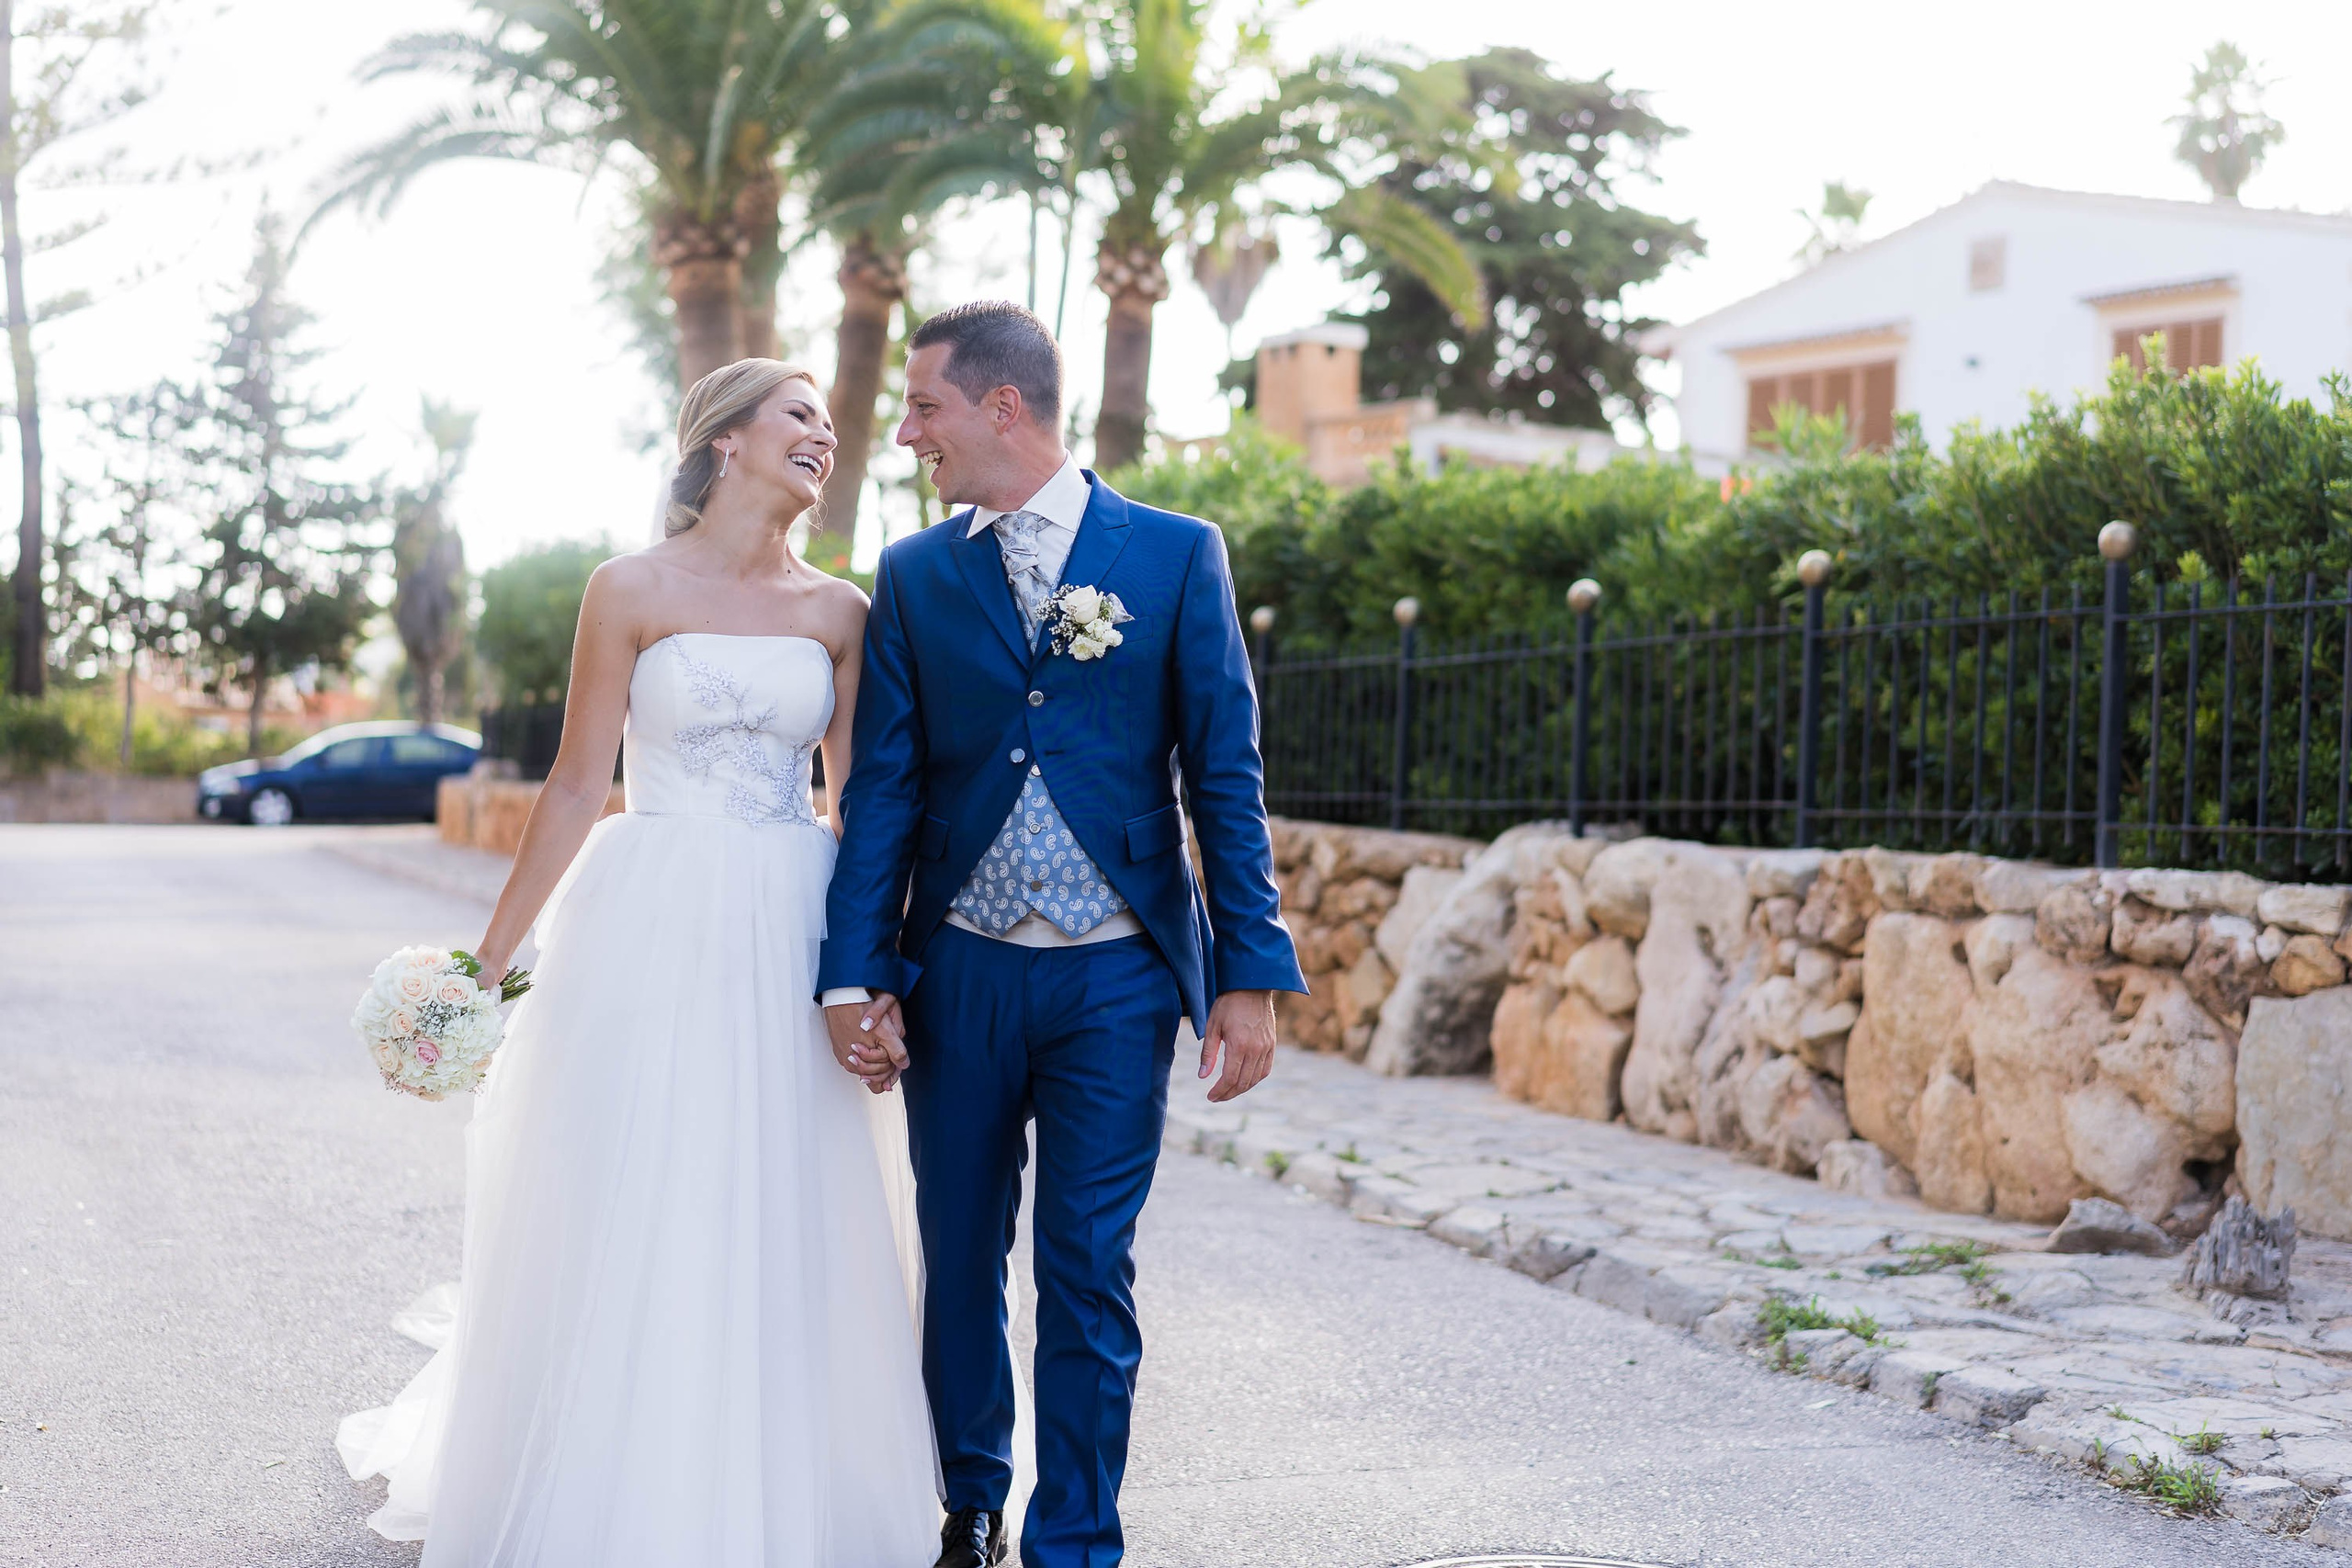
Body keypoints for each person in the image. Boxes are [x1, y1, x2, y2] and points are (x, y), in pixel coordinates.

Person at [337, 359, 941, 1567]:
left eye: (830, 425)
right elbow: (576, 785)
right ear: (726, 441)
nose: (825, 436)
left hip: (792, 916)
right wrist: (487, 963)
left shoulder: (842, 610)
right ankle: (623, 1474)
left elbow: (860, 803)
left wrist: (871, 968)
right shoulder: (626, 588)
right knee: (644, 1177)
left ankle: (787, 1478)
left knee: (792, 1188)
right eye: (800, 415)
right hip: (649, 913)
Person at [816, 300, 1306, 1568]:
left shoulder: (1176, 554)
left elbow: (1225, 775)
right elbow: (886, 790)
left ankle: (1077, 1540)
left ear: (1003, 407)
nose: (908, 433)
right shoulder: (917, 573)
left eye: (924, 407)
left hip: (1118, 977)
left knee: (1087, 1263)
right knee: (960, 1251)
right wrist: (857, 971)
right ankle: (972, 1502)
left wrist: (1248, 974)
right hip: (961, 968)